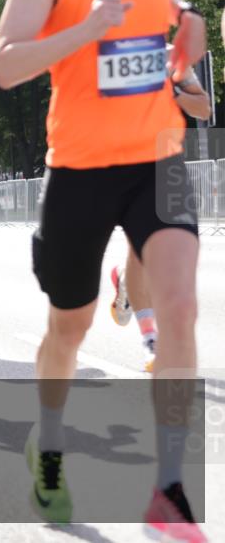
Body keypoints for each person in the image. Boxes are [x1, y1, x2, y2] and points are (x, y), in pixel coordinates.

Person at [0, 0, 207, 538]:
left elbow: (164, 26)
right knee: (69, 328)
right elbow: (4, 65)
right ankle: (48, 441)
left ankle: (168, 488)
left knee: (178, 307)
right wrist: (85, 29)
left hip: (157, 157)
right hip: (79, 169)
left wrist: (187, 39)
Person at [110, 56, 212, 373]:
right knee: (139, 248)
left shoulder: (170, 55)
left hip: (166, 160)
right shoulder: (102, 49)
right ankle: (151, 339)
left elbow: (204, 108)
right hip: (121, 158)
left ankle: (126, 283)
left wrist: (171, 90)